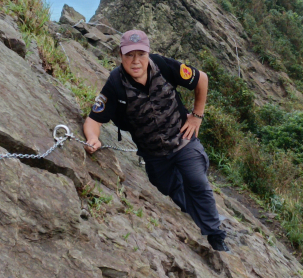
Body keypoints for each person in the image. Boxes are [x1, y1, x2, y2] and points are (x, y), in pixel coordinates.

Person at [83, 30, 229, 252]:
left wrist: (197, 116)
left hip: (183, 140)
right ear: (121, 55)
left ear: (148, 53)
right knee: (171, 188)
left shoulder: (163, 65)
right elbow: (94, 119)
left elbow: (202, 79)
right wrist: (92, 138)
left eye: (141, 54)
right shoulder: (115, 83)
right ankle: (202, 214)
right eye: (129, 55)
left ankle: (216, 235)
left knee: (197, 181)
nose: (135, 61)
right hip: (153, 154)